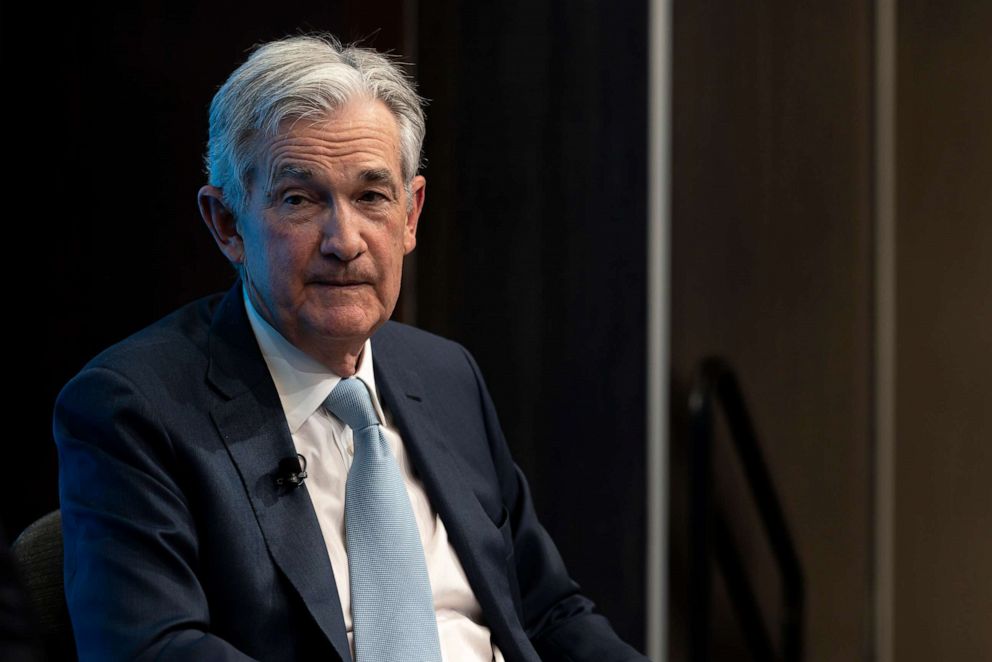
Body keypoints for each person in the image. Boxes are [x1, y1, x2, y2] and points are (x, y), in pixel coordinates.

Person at [53, 33, 648, 662]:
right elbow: (153, 648)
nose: (345, 240)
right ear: (228, 224)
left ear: (411, 214)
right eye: (300, 199)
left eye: (371, 197)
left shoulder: (445, 374)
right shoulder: (133, 407)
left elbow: (549, 611)